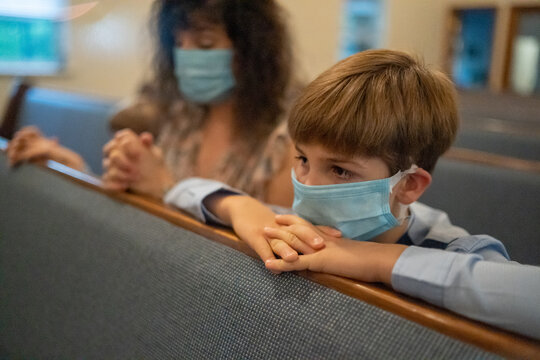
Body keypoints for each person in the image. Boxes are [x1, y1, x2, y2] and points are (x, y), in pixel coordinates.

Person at [167, 49, 540, 339]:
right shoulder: (303, 226)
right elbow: (183, 190)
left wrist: (373, 260)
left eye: (341, 170)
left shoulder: (453, 249)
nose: (308, 186)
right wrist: (243, 208)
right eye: (302, 160)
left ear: (408, 185)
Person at [7, 0, 297, 207]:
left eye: (205, 44)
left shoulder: (288, 142)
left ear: (252, 50)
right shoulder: (181, 116)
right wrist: (73, 171)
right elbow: (146, 215)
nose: (187, 57)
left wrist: (168, 189)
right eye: (179, 44)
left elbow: (270, 255)